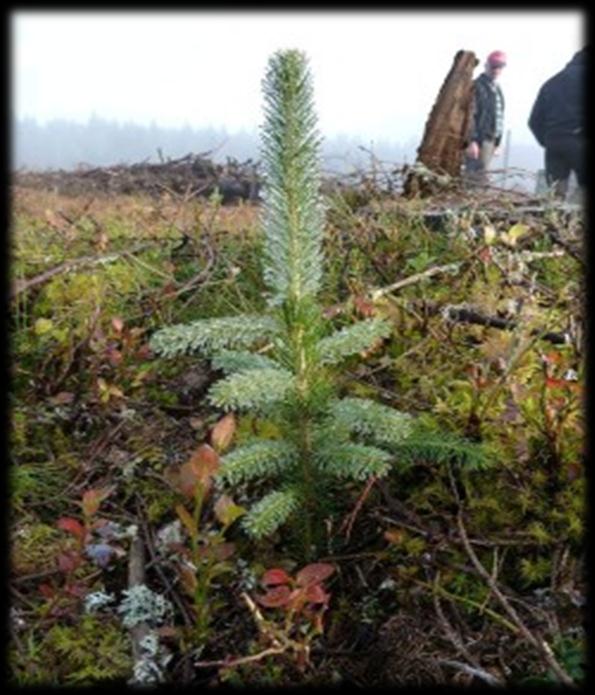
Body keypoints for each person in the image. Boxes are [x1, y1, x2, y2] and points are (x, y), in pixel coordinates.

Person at [528, 48, 586, 201]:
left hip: (554, 143)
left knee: (555, 194)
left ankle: (554, 222)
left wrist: (548, 140)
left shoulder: (551, 83)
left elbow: (534, 120)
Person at [464, 50, 507, 185]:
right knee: (477, 178)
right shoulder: (477, 86)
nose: (496, 69)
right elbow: (471, 115)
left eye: (500, 66)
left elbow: (499, 116)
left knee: (482, 175)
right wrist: (472, 141)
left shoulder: (496, 89)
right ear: (486, 65)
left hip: (490, 140)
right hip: (480, 140)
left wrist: (498, 142)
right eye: (494, 66)